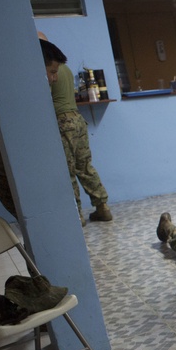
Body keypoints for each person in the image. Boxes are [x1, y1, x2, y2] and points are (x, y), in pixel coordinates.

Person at [40, 38, 112, 225]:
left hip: (62, 121)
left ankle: (77, 214)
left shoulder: (46, 69)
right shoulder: (64, 67)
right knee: (84, 165)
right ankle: (102, 206)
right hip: (77, 119)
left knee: (68, 170)